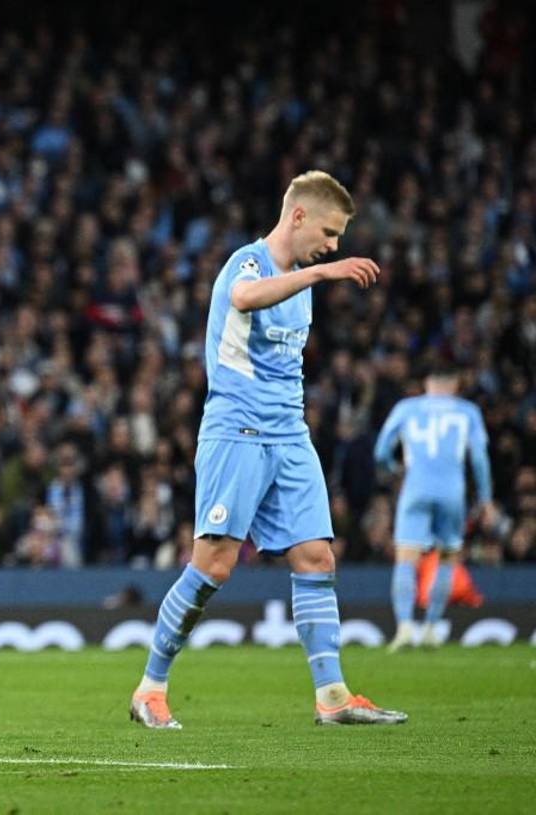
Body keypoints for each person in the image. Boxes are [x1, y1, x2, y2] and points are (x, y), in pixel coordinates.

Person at [129, 171, 407, 729]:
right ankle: (150, 689)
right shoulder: (249, 263)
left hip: (289, 435)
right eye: (329, 233)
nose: (333, 246)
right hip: (237, 432)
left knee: (317, 559)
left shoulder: (301, 282)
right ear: (299, 215)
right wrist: (325, 273)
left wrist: (315, 274)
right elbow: (243, 297)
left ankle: (331, 696)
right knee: (214, 565)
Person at [373, 364, 493, 651]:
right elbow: (479, 458)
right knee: (448, 558)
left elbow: (381, 451)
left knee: (406, 558)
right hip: (452, 491)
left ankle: (404, 627)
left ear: (427, 382)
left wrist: (392, 468)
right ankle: (430, 627)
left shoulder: (407, 408)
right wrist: (485, 497)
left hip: (416, 488)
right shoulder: (468, 412)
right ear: (454, 385)